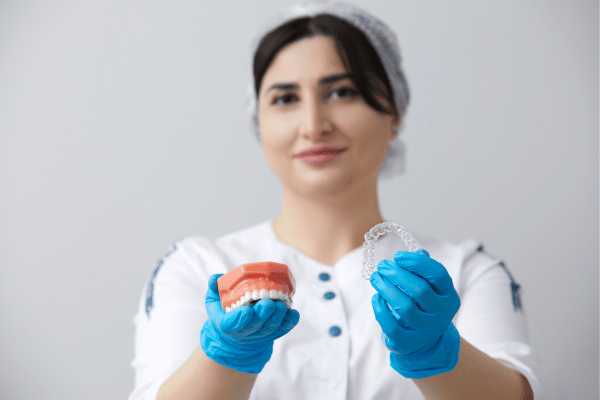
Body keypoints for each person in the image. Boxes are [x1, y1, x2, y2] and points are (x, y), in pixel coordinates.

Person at [128, 2, 545, 399]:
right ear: (259, 121)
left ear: (394, 111)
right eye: (285, 98)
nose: (313, 125)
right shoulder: (196, 268)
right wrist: (226, 356)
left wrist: (436, 354)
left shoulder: (465, 272)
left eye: (342, 92)